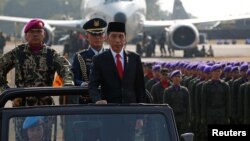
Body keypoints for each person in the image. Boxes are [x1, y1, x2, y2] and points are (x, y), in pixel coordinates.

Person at [89, 21, 146, 104]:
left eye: (121, 36)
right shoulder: (99, 60)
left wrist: (142, 108)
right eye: (114, 36)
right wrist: (97, 100)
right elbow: (93, 85)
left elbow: (140, 86)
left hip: (131, 109)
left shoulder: (135, 58)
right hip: (110, 110)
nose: (117, 40)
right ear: (107, 38)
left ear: (125, 39)